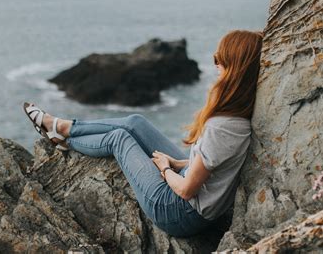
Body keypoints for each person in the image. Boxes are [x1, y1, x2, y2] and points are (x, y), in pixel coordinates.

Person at [23, 29, 263, 237]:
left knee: (119, 139)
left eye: (219, 59)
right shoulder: (237, 115)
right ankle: (63, 126)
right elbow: (210, 165)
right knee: (135, 122)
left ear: (235, 68)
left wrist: (165, 168)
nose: (214, 64)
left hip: (177, 211)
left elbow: (187, 190)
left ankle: (64, 137)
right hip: (190, 191)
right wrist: (177, 162)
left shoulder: (222, 127)